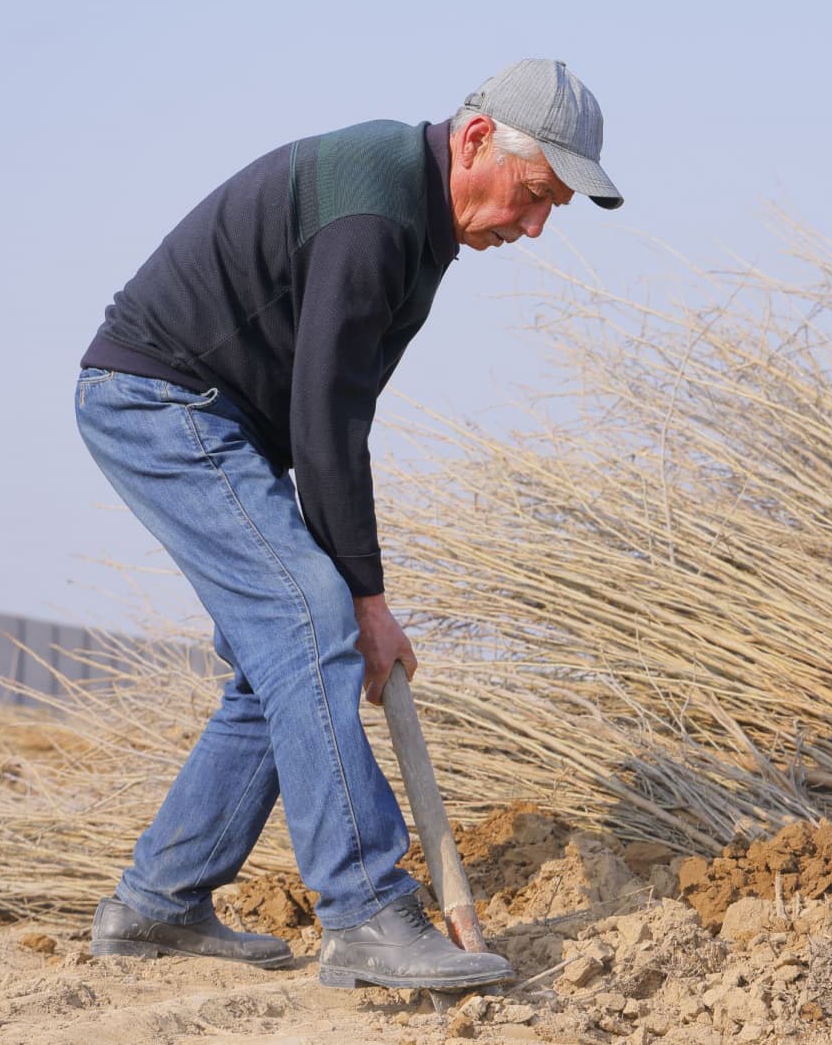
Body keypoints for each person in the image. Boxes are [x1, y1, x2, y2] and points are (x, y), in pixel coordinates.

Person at [73, 59, 621, 990]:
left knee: (279, 656)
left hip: (219, 414)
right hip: (159, 396)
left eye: (552, 211)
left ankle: (159, 903)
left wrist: (352, 591)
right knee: (309, 625)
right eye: (533, 195)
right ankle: (366, 908)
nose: (532, 226)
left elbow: (337, 416)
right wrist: (363, 600)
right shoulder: (377, 208)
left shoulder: (422, 225)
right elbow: (324, 417)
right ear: (478, 140)